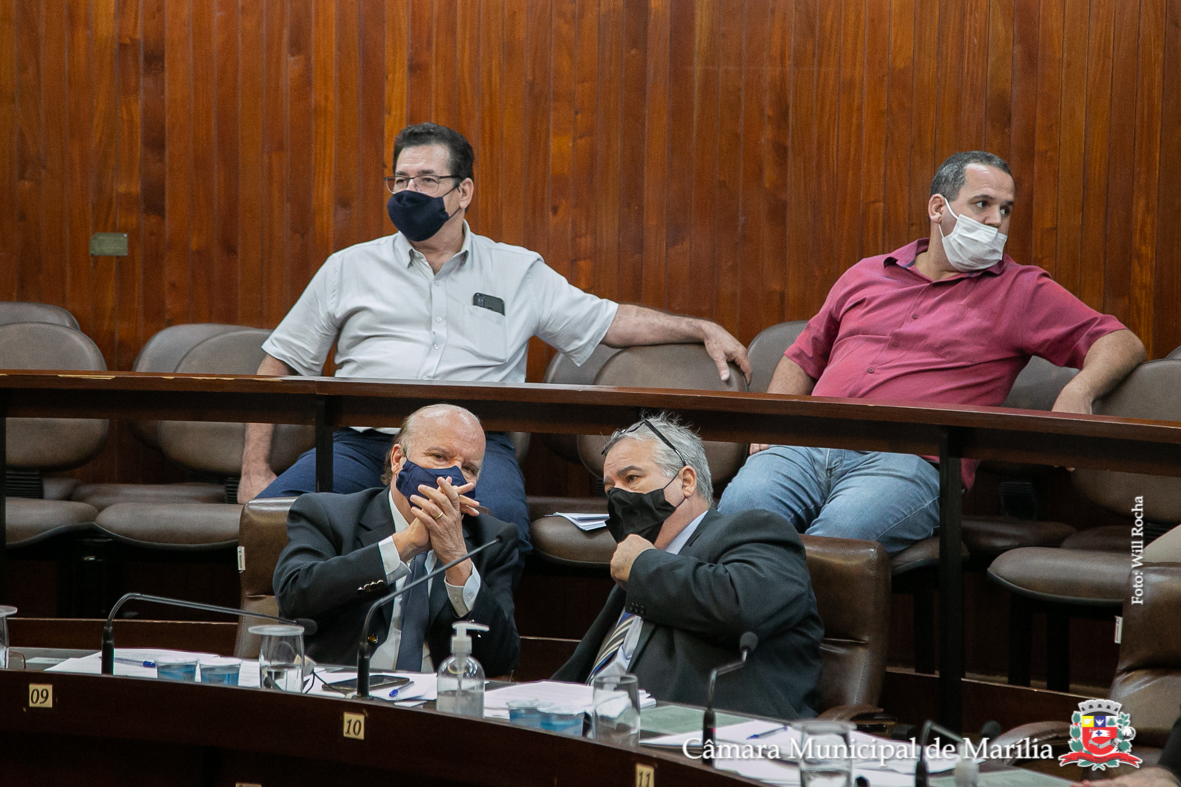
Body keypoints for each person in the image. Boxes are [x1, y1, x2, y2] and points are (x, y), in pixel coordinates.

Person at [239, 122, 751, 563]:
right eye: (401, 179)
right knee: (271, 521)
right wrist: (254, 468)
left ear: (463, 191)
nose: (409, 191)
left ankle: (473, 644)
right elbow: (281, 361)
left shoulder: (516, 271)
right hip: (364, 443)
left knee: (502, 533)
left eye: (427, 180)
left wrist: (697, 327)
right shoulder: (348, 267)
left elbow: (610, 322)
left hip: (473, 450)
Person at [719, 151, 1146, 554]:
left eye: (1006, 210)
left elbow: (1121, 341)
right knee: (736, 525)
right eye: (982, 204)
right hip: (808, 446)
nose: (996, 221)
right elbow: (803, 356)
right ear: (938, 208)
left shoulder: (1021, 290)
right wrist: (774, 424)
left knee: (834, 545)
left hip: (906, 461)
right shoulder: (867, 273)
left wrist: (1079, 391)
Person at [553, 413, 823, 720]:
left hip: (703, 733)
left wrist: (643, 566)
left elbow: (741, 606)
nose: (618, 497)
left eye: (632, 479)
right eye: (609, 489)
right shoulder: (638, 571)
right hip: (590, 726)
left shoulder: (754, 529)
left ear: (686, 481)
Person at [273, 404, 519, 675]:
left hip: (437, 696)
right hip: (344, 688)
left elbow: (502, 659)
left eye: (469, 468)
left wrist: (457, 559)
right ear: (398, 459)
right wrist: (403, 545)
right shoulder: (328, 515)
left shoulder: (493, 539)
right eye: (439, 456)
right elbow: (295, 598)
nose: (453, 477)